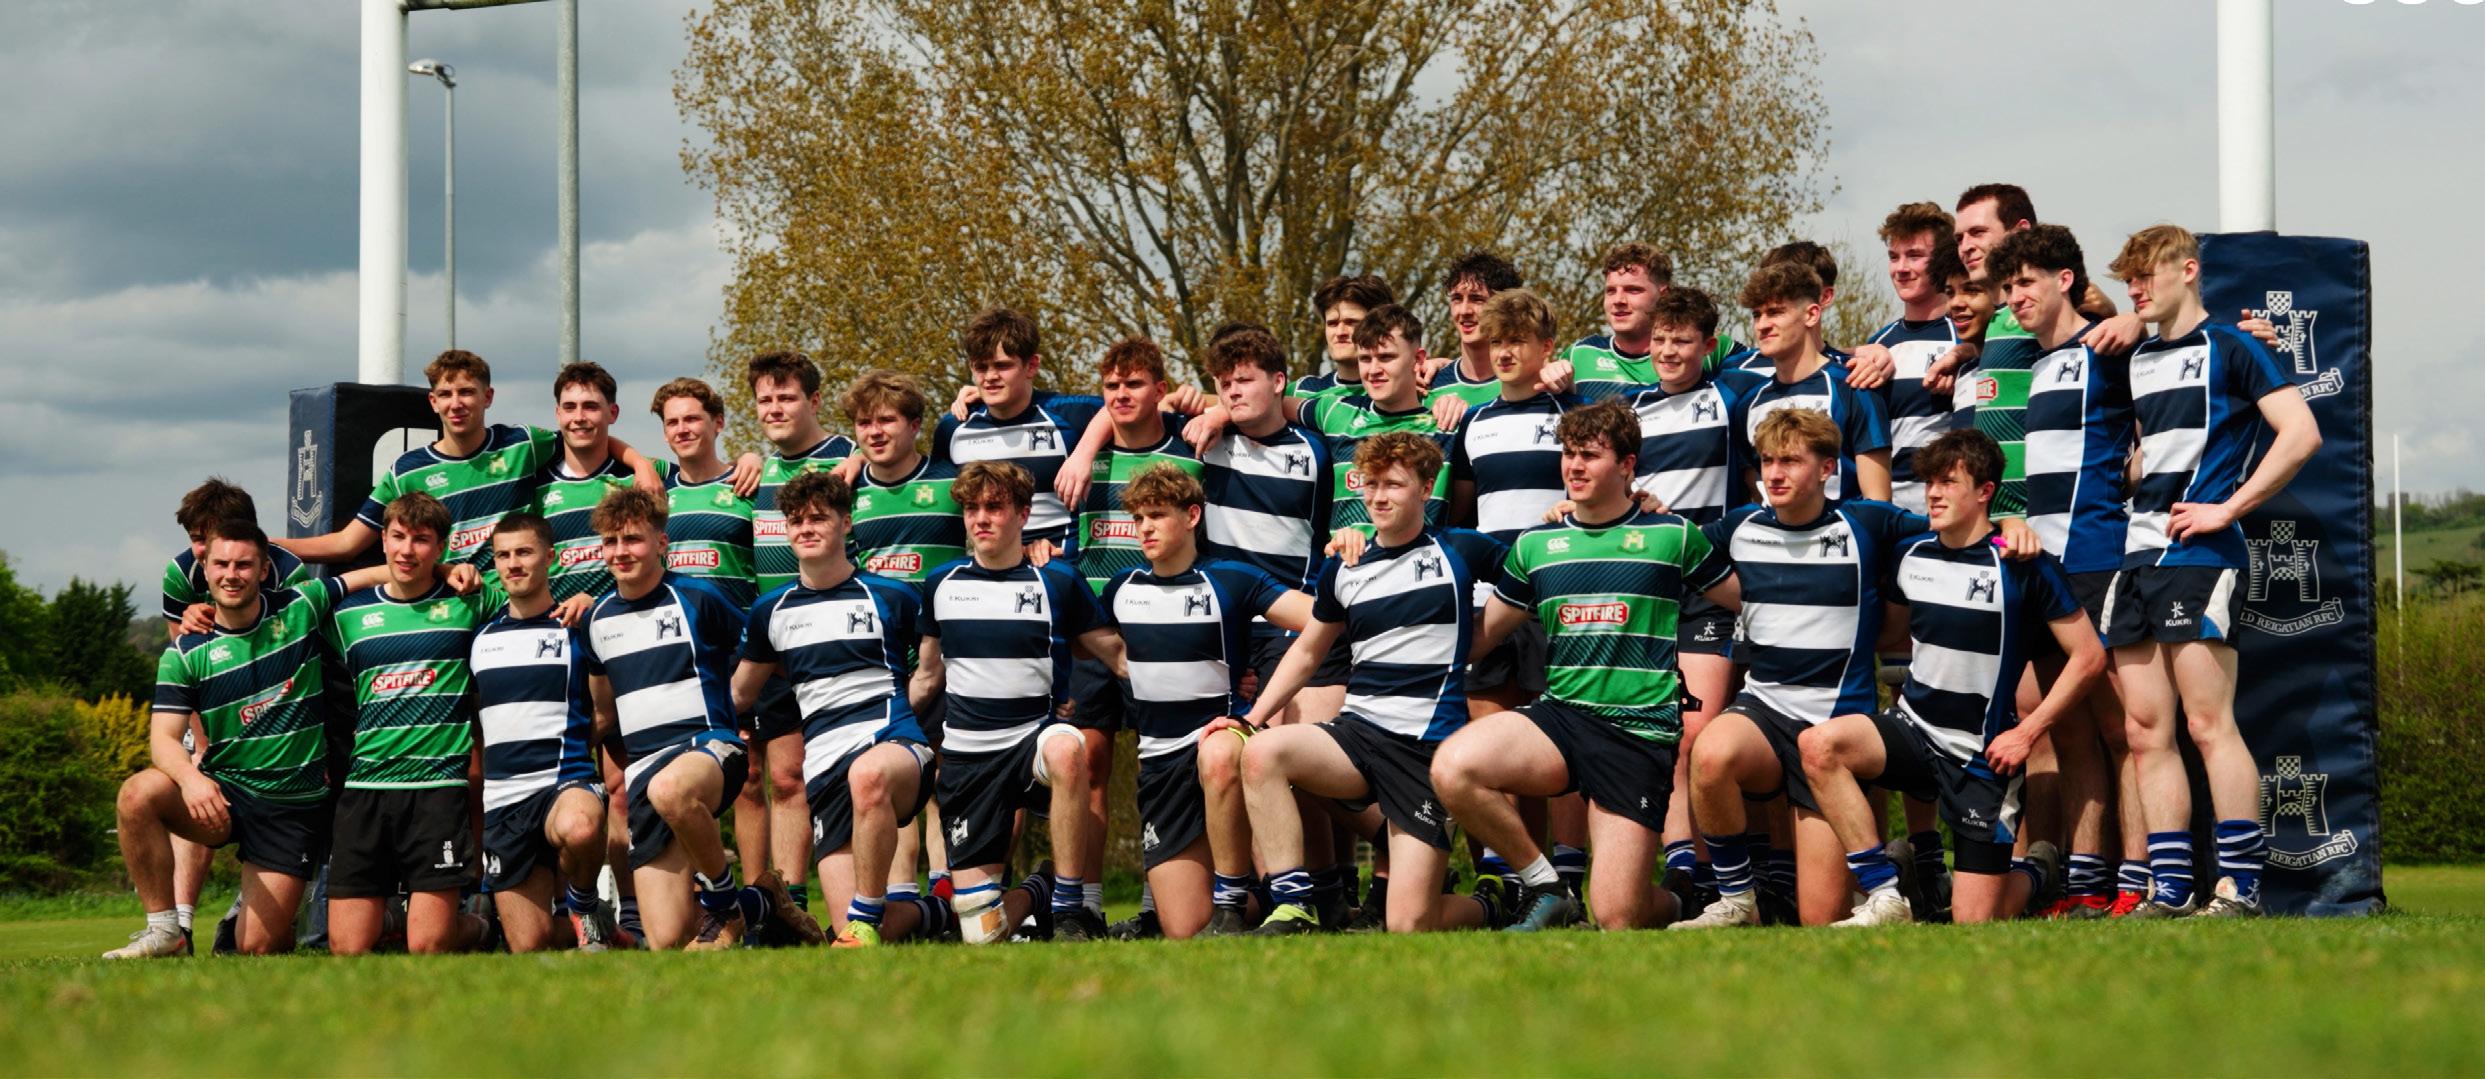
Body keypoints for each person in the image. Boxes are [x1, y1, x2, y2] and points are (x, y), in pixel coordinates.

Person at [1673, 410, 2034, 929]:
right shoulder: (1740, 526)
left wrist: (2010, 525)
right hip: (1764, 711)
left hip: (1833, 730)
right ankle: (1736, 898)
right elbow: (1669, 542)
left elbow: (1957, 531)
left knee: (1821, 920)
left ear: (1826, 469)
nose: (1774, 474)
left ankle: (1902, 880)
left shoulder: (1867, 522)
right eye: (1767, 461)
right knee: (1708, 751)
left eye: (1790, 461)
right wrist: (1620, 508)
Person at [1432, 400, 1739, 930]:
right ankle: (1548, 886)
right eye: (1568, 454)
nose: (1574, 466)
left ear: (1627, 465)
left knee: (1618, 916)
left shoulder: (1673, 536)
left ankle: (1683, 901)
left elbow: (1745, 602)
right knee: (1453, 768)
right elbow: (1482, 637)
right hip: (1562, 720)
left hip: (1638, 735)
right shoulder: (1537, 545)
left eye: (1590, 456)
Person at [1796, 429, 2105, 925]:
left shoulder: (2024, 564)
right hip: (1915, 731)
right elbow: (1890, 632)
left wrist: (2027, 732)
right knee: (1818, 746)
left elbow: (2088, 657)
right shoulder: (1910, 552)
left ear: (1985, 491)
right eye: (1929, 483)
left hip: (1983, 756)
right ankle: (1884, 890)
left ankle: (2037, 873)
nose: (1933, 494)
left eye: (1947, 482)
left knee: (1973, 922)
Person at [2108, 223, 2322, 918]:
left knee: (2207, 724)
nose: (2135, 288)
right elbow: (2150, 451)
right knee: (2145, 731)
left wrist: (2226, 508)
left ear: (2188, 269)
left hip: (2199, 557)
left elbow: (2302, 433)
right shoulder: (2139, 357)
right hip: (2136, 556)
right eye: (2127, 278)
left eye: (2146, 273)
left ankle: (2239, 886)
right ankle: (2171, 889)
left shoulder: (2232, 345)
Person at [1235, 433, 1508, 935]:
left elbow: (1530, 576)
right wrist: (1250, 720)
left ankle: (1493, 907)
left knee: (1408, 924)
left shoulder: (1459, 549)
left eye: (1394, 485)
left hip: (1425, 751)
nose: (1379, 496)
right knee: (1262, 753)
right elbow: (1308, 652)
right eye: (1371, 484)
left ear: (1427, 488)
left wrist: (1484, 635)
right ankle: (1295, 906)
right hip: (1357, 737)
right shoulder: (1344, 565)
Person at [107, 520, 393, 958]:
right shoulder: (185, 651)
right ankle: (166, 931)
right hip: (224, 795)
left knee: (256, 947)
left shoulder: (300, 606)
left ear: (263, 570)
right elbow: (163, 738)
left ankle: (277, 910)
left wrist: (447, 572)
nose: (231, 574)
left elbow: (371, 574)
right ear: (205, 569)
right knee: (137, 794)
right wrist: (191, 779)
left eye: (243, 565)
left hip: (291, 807)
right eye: (221, 564)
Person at [1985, 224, 2143, 917]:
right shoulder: (2039, 362)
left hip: (2099, 556)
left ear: (2064, 280)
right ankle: (2085, 882)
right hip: (2044, 566)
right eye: (2007, 286)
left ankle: (2139, 882)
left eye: (2025, 282)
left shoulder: (2106, 345)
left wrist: (2136, 318)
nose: (2013, 297)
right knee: (2072, 734)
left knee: (2122, 731)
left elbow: (2187, 341)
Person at [914, 461, 1127, 943]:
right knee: (981, 933)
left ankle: (1070, 908)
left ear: (1024, 514)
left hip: (1033, 741)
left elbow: (1118, 657)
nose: (980, 518)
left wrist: (1212, 677)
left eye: (994, 507)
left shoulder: (1057, 582)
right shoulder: (941, 583)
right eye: (971, 508)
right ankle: (1040, 889)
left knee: (1068, 749)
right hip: (968, 761)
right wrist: (887, 730)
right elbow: (927, 677)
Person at [733, 471, 947, 948]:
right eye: (796, 521)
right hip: (825, 772)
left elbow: (934, 668)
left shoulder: (891, 595)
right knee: (851, 927)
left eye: (818, 518)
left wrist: (903, 716)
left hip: (893, 748)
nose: (806, 528)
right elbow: (740, 695)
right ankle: (936, 914)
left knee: (868, 775)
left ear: (846, 523)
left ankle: (868, 915)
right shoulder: (771, 611)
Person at [1099, 465, 1313, 937]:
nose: (1145, 528)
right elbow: (1084, 641)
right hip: (1158, 764)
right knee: (1184, 927)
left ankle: (1233, 903)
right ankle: (1267, 898)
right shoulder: (1121, 588)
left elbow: (1319, 621)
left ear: (1192, 516)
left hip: (1221, 743)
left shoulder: (1231, 579)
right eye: (1138, 518)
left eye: (1157, 515)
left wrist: (1260, 700)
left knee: (1217, 754)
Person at [581, 487, 798, 950]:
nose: (621, 552)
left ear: (661, 543)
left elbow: (767, 654)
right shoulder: (596, 619)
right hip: (644, 772)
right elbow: (602, 711)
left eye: (633, 539)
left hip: (708, 748)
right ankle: (763, 901)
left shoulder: (699, 596)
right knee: (668, 940)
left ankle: (722, 902)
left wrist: (752, 708)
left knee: (671, 789)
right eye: (611, 542)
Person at [1610, 285, 1756, 912]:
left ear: (1708, 345)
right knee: (1659, 730)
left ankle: (1727, 873)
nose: (1668, 351)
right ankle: (1684, 870)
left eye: (1683, 341)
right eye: (1661, 340)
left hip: (1707, 587)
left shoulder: (1731, 397)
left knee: (1697, 733)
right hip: (1647, 587)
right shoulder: (1630, 409)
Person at [277, 349, 665, 570]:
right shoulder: (407, 471)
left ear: (487, 397)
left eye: (467, 392)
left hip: (509, 602)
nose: (457, 403)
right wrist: (264, 544)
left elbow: (585, 436)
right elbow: (346, 543)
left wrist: (641, 464)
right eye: (446, 395)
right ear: (433, 402)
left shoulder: (522, 445)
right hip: (447, 604)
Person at [321, 493, 495, 956]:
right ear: (382, 540)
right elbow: (279, 602)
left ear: (441, 547)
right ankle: (395, 915)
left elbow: (530, 595)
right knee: (347, 949)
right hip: (366, 788)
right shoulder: (347, 616)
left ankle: (478, 928)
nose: (406, 550)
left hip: (437, 789)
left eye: (421, 540)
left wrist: (454, 573)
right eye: (398, 537)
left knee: (428, 946)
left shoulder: (469, 604)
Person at [745, 350, 860, 932]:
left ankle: (875, 898)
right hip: (779, 648)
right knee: (786, 778)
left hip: (840, 646)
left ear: (814, 401)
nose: (775, 409)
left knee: (855, 778)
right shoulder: (756, 473)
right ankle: (791, 908)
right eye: (765, 399)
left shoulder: (851, 456)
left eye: (786, 397)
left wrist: (861, 456)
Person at [471, 512, 617, 952]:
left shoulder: (577, 628)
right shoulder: (479, 637)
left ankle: (584, 903)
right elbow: (478, 723)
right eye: (503, 555)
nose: (513, 564)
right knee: (530, 945)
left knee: (581, 829)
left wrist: (572, 747)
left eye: (524, 552)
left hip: (563, 782)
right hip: (504, 801)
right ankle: (614, 934)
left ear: (549, 557)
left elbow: (605, 713)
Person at [933, 308, 1104, 559]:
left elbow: (1140, 406)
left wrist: (1084, 453)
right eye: (981, 367)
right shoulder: (953, 427)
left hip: (1060, 568)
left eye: (1002, 366)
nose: (990, 377)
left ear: (1031, 366)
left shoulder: (1070, 414)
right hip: (989, 571)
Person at [1722, 262, 1893, 504]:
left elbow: (1878, 502)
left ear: (1811, 315)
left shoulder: (1854, 387)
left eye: (1775, 312)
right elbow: (1758, 498)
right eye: (1757, 315)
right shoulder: (1747, 404)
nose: (1762, 325)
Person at [1861, 203, 1970, 514]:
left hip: (1948, 514)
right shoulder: (1877, 344)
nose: (1901, 268)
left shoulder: (1966, 338)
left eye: (1914, 255)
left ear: (1943, 260)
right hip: (1887, 515)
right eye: (1894, 257)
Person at [536, 361, 642, 605]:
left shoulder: (637, 478)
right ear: (558, 413)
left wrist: (740, 465)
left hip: (622, 618)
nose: (579, 417)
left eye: (590, 406)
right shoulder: (534, 482)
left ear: (612, 413)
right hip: (555, 623)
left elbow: (697, 475)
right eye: (569, 407)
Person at [1428, 251, 1526, 410]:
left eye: (1477, 299)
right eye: (1457, 299)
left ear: (1506, 307)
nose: (1464, 311)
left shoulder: (1527, 383)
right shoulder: (1428, 385)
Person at [1293, 274, 1396, 402]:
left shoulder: (1407, 393)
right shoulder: (1299, 391)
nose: (1340, 332)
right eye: (1332, 323)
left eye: (1351, 322)